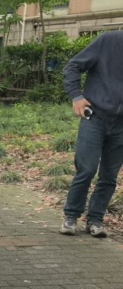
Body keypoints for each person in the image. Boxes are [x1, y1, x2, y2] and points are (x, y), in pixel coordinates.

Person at [60, 31, 123, 237]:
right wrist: (76, 96)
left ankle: (95, 220)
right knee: (86, 169)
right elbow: (73, 66)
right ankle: (71, 216)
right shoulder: (108, 41)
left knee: (109, 176)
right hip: (95, 117)